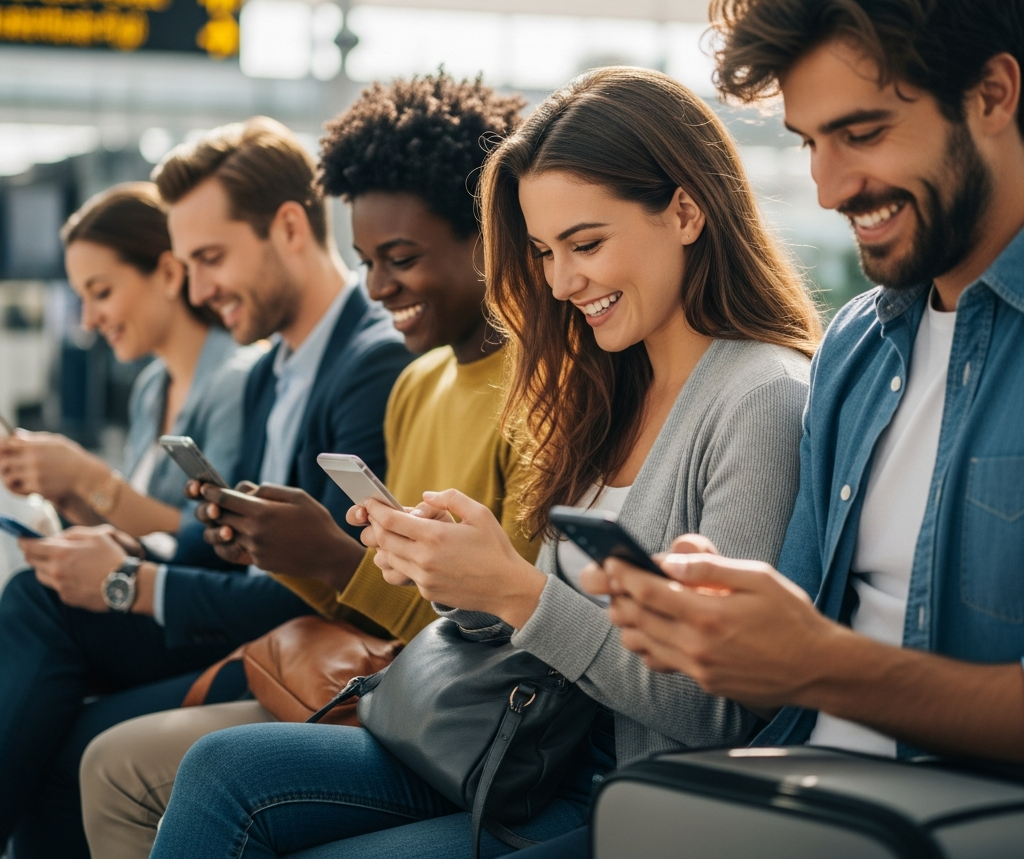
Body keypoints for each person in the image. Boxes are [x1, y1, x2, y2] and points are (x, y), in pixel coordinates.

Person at [148, 66, 821, 859]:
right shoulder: (605, 383)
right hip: (528, 748)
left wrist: (518, 590)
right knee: (222, 768)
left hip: (628, 794)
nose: (564, 281)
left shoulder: (760, 397)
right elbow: (544, 630)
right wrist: (463, 578)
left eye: (587, 243)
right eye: (543, 251)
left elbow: (716, 712)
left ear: (685, 210)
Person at [595, 0, 1024, 777]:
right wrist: (718, 620)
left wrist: (823, 666)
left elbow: (818, 662)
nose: (828, 189)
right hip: (790, 788)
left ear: (993, 94)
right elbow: (781, 666)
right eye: (809, 142)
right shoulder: (858, 348)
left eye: (862, 134)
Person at [80, 72, 540, 859]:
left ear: (488, 235)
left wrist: (331, 557)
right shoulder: (418, 380)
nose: (378, 287)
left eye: (399, 258)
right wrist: (290, 553)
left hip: (464, 713)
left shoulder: (532, 396)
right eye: (367, 259)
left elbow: (497, 625)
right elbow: (393, 603)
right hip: (401, 685)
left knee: (161, 761)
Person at [0, 119, 411, 859]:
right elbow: (224, 547)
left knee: (67, 735)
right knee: (40, 597)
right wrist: (132, 548)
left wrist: (134, 583)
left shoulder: (372, 364)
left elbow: (332, 585)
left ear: (289, 227)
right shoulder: (262, 373)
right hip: (246, 621)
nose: (195, 289)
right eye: (187, 264)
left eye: (211, 258)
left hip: (303, 642)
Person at [0, 183, 257, 542]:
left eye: (101, 293)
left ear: (168, 274)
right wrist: (65, 492)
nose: (88, 321)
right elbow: (133, 542)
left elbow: (216, 539)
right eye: (82, 299)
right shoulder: (152, 388)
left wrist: (87, 476)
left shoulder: (239, 382)